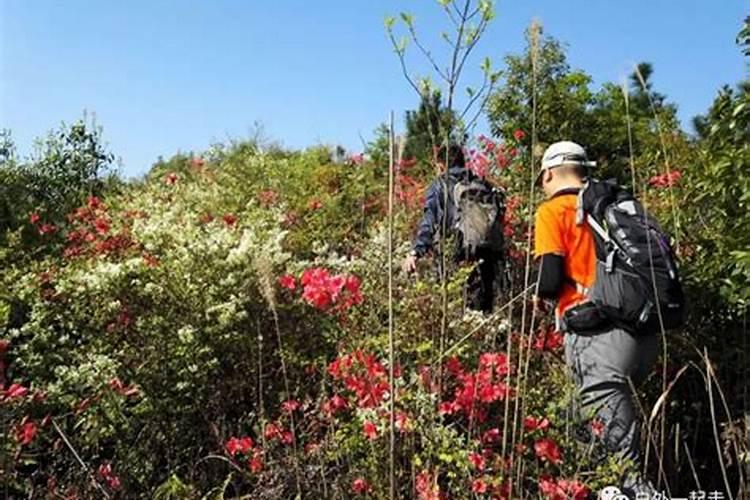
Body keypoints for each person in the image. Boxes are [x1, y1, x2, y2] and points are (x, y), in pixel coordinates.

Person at [532, 141, 658, 497]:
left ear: (550, 173)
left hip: (598, 338)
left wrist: (536, 291)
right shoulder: (615, 207)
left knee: (624, 470)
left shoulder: (553, 211)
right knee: (580, 426)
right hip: (643, 333)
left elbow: (551, 279)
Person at [402, 144, 504, 313]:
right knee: (483, 311)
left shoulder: (439, 185)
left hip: (455, 255)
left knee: (454, 309)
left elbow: (429, 220)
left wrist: (415, 252)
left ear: (441, 165)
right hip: (485, 255)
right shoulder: (482, 184)